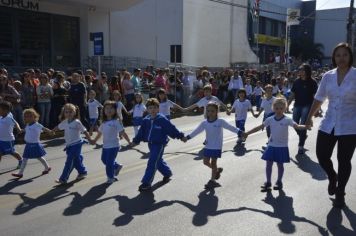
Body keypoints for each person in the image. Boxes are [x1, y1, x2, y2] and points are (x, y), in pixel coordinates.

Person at [306, 42, 356, 208]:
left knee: (344, 160)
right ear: (334, 58)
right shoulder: (328, 76)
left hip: (349, 125)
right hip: (329, 123)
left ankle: (340, 192)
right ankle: (332, 176)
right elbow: (319, 98)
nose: (341, 58)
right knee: (321, 155)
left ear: (350, 57)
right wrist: (309, 117)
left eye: (345, 55)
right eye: (338, 55)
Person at [244, 97, 309, 191]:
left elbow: (297, 126)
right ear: (273, 108)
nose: (279, 110)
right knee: (268, 164)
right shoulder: (270, 119)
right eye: (277, 108)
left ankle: (279, 181)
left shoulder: (287, 119)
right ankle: (268, 182)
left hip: (282, 146)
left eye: (281, 108)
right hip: (271, 145)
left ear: (285, 108)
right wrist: (247, 133)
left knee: (280, 165)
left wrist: (306, 126)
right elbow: (259, 127)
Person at [130, 98, 185, 192]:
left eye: (155, 108)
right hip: (151, 144)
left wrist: (180, 136)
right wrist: (135, 141)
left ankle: (146, 183)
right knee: (158, 161)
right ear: (147, 109)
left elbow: (171, 128)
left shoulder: (161, 119)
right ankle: (167, 173)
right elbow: (141, 132)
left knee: (152, 162)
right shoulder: (146, 120)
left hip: (159, 144)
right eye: (150, 108)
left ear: (158, 109)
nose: (153, 110)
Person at [184, 102, 242, 189]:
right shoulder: (204, 123)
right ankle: (216, 171)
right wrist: (187, 137)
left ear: (217, 111)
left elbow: (231, 127)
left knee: (214, 162)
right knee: (205, 162)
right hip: (208, 145)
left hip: (216, 146)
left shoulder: (220, 121)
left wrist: (240, 132)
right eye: (208, 111)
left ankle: (212, 180)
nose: (210, 113)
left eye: (212, 111)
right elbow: (196, 131)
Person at [52, 103, 92, 184]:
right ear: (64, 113)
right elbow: (58, 127)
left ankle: (63, 178)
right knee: (76, 160)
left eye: (71, 112)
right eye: (66, 112)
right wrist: (52, 131)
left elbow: (84, 131)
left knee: (69, 161)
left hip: (76, 144)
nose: (68, 114)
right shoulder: (65, 122)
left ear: (74, 112)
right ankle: (82, 172)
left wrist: (90, 140)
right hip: (69, 145)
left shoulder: (77, 122)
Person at [91, 101, 129, 184]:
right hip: (105, 146)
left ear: (115, 110)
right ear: (104, 111)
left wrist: (129, 141)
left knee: (109, 163)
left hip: (114, 146)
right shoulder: (104, 123)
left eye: (111, 108)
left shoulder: (116, 121)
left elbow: (122, 132)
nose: (109, 110)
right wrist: (94, 140)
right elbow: (100, 133)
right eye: (107, 108)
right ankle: (117, 166)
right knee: (104, 160)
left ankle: (110, 177)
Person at [287, 64, 318, 155]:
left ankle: (301, 146)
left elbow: (316, 97)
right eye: (299, 69)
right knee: (294, 123)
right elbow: (292, 94)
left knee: (303, 124)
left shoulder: (313, 82)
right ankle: (303, 136)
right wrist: (287, 104)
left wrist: (317, 110)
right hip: (297, 105)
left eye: (302, 69)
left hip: (307, 105)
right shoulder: (297, 81)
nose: (300, 71)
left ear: (307, 71)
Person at [12, 109, 52, 178]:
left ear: (35, 117)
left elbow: (44, 128)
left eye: (30, 116)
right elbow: (26, 129)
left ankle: (47, 167)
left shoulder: (37, 125)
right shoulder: (27, 125)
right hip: (28, 145)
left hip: (35, 144)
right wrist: (22, 130)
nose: (28, 118)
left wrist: (50, 131)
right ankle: (20, 173)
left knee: (39, 157)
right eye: (26, 116)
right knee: (25, 158)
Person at [0, 101, 23, 169]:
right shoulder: (1, 117)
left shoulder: (9, 118)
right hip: (0, 139)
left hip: (8, 140)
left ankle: (21, 160)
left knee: (12, 152)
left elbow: (15, 123)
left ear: (5, 110)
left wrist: (19, 129)